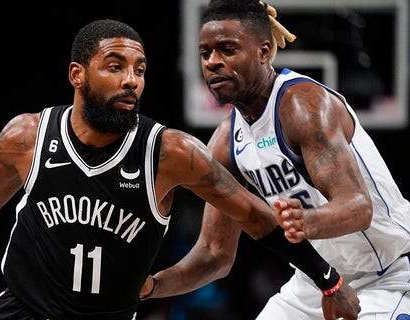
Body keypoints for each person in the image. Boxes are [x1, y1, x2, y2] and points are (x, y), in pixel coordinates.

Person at [0, 19, 359, 319]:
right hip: (21, 313)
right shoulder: (29, 136)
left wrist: (328, 280)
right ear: (77, 75)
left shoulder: (170, 152)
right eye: (116, 66)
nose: (132, 80)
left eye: (141, 70)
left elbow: (255, 216)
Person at [139, 1, 410, 319]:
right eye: (205, 53)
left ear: (264, 52)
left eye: (227, 49)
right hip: (316, 282)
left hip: (388, 275)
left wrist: (306, 221)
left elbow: (358, 207)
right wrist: (152, 286)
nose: (213, 62)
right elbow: (214, 254)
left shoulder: (304, 107)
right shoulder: (227, 141)